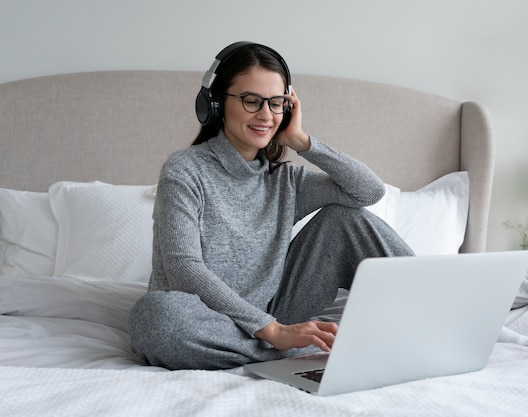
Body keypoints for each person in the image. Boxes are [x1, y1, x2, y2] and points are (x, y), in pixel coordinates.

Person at [128, 42, 413, 370]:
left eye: (277, 103)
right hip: (206, 318)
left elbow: (368, 191)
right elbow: (183, 268)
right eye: (252, 101)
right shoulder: (184, 169)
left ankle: (442, 316)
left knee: (345, 218)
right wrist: (271, 330)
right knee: (155, 318)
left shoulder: (286, 180)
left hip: (280, 309)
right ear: (216, 104)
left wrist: (302, 142)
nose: (266, 115)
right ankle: (295, 349)